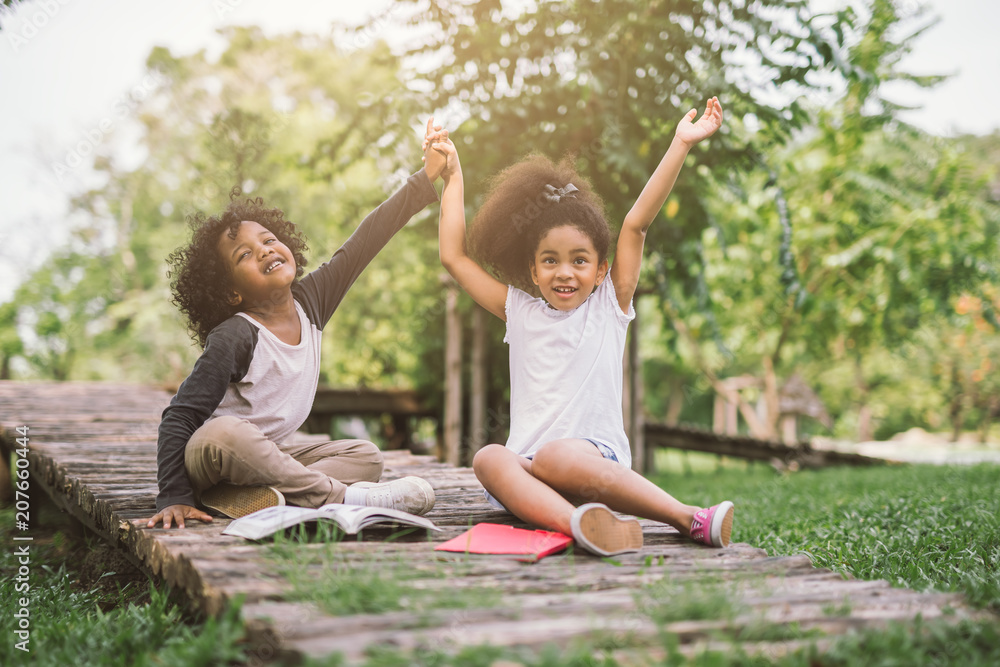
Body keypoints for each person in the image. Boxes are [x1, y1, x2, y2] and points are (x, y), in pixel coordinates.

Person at [426, 99, 734, 555]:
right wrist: (453, 177)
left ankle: (688, 517)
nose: (564, 273)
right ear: (532, 271)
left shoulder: (609, 306)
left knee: (556, 454)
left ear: (601, 269)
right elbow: (454, 257)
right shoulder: (520, 311)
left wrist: (680, 144)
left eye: (579, 261)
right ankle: (580, 525)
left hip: (592, 463)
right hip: (531, 483)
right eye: (550, 261)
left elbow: (636, 224)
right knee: (489, 457)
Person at [146, 120, 446, 530]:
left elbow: (365, 242)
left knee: (366, 456)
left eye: (268, 239)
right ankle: (343, 497)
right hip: (211, 458)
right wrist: (174, 496)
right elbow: (179, 417)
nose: (265, 250)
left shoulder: (312, 302)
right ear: (230, 292)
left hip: (266, 461)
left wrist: (424, 178)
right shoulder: (236, 334)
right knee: (227, 433)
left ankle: (258, 499)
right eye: (244, 255)